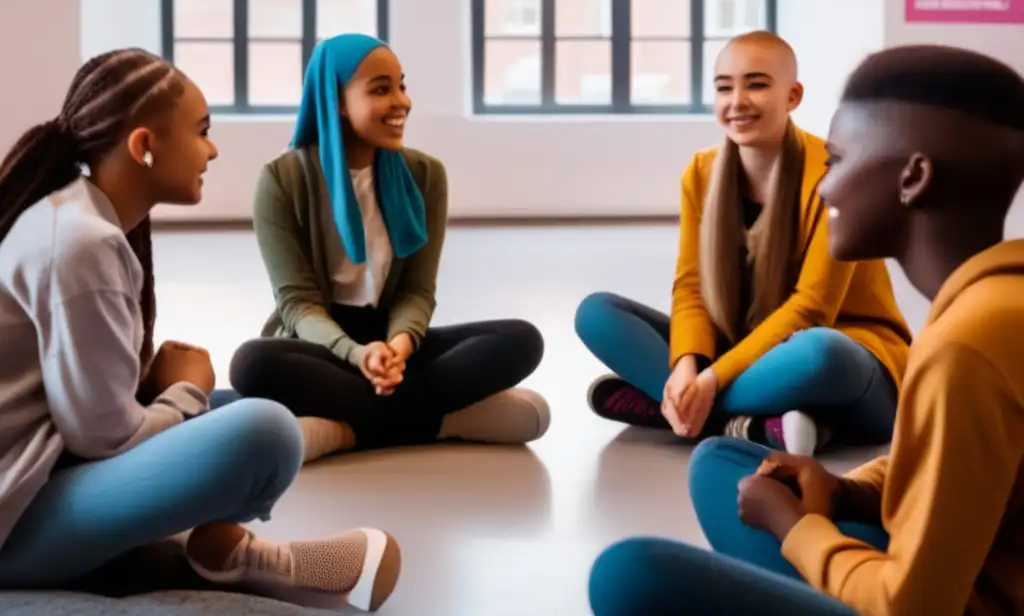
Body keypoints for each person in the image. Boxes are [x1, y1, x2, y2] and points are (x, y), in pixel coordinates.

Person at [588, 43, 1024, 616]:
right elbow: (954, 473)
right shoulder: (992, 302)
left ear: (913, 177)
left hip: (942, 592)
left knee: (628, 576)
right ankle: (736, 419)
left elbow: (914, 605)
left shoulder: (962, 349)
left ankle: (695, 409)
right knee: (718, 461)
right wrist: (845, 490)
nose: (825, 184)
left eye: (840, 161)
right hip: (760, 364)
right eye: (724, 86)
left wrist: (796, 528)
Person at [0, 49, 401, 612]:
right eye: (201, 132)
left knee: (235, 402)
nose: (211, 149)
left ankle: (226, 554)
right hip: (14, 526)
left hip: (35, 487)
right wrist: (183, 390)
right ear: (144, 146)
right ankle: (234, 555)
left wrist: (176, 396)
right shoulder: (81, 240)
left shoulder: (75, 217)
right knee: (263, 429)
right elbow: (102, 438)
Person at [576, 31, 911, 455]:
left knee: (822, 352)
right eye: (724, 87)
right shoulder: (702, 171)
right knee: (598, 314)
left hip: (847, 365)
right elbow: (691, 289)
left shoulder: (838, 175)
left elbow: (812, 310)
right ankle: (753, 425)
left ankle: (680, 410)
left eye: (756, 84)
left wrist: (712, 380)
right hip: (741, 350)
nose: (737, 101)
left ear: (793, 96)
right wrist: (685, 366)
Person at [229, 33, 549, 461]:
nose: (403, 102)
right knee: (252, 364)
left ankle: (345, 431)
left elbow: (417, 291)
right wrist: (356, 354)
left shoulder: (426, 174)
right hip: (326, 348)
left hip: (395, 348)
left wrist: (399, 344)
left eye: (402, 85)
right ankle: (441, 422)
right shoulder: (281, 180)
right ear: (337, 100)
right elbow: (298, 305)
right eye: (381, 89)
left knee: (521, 339)